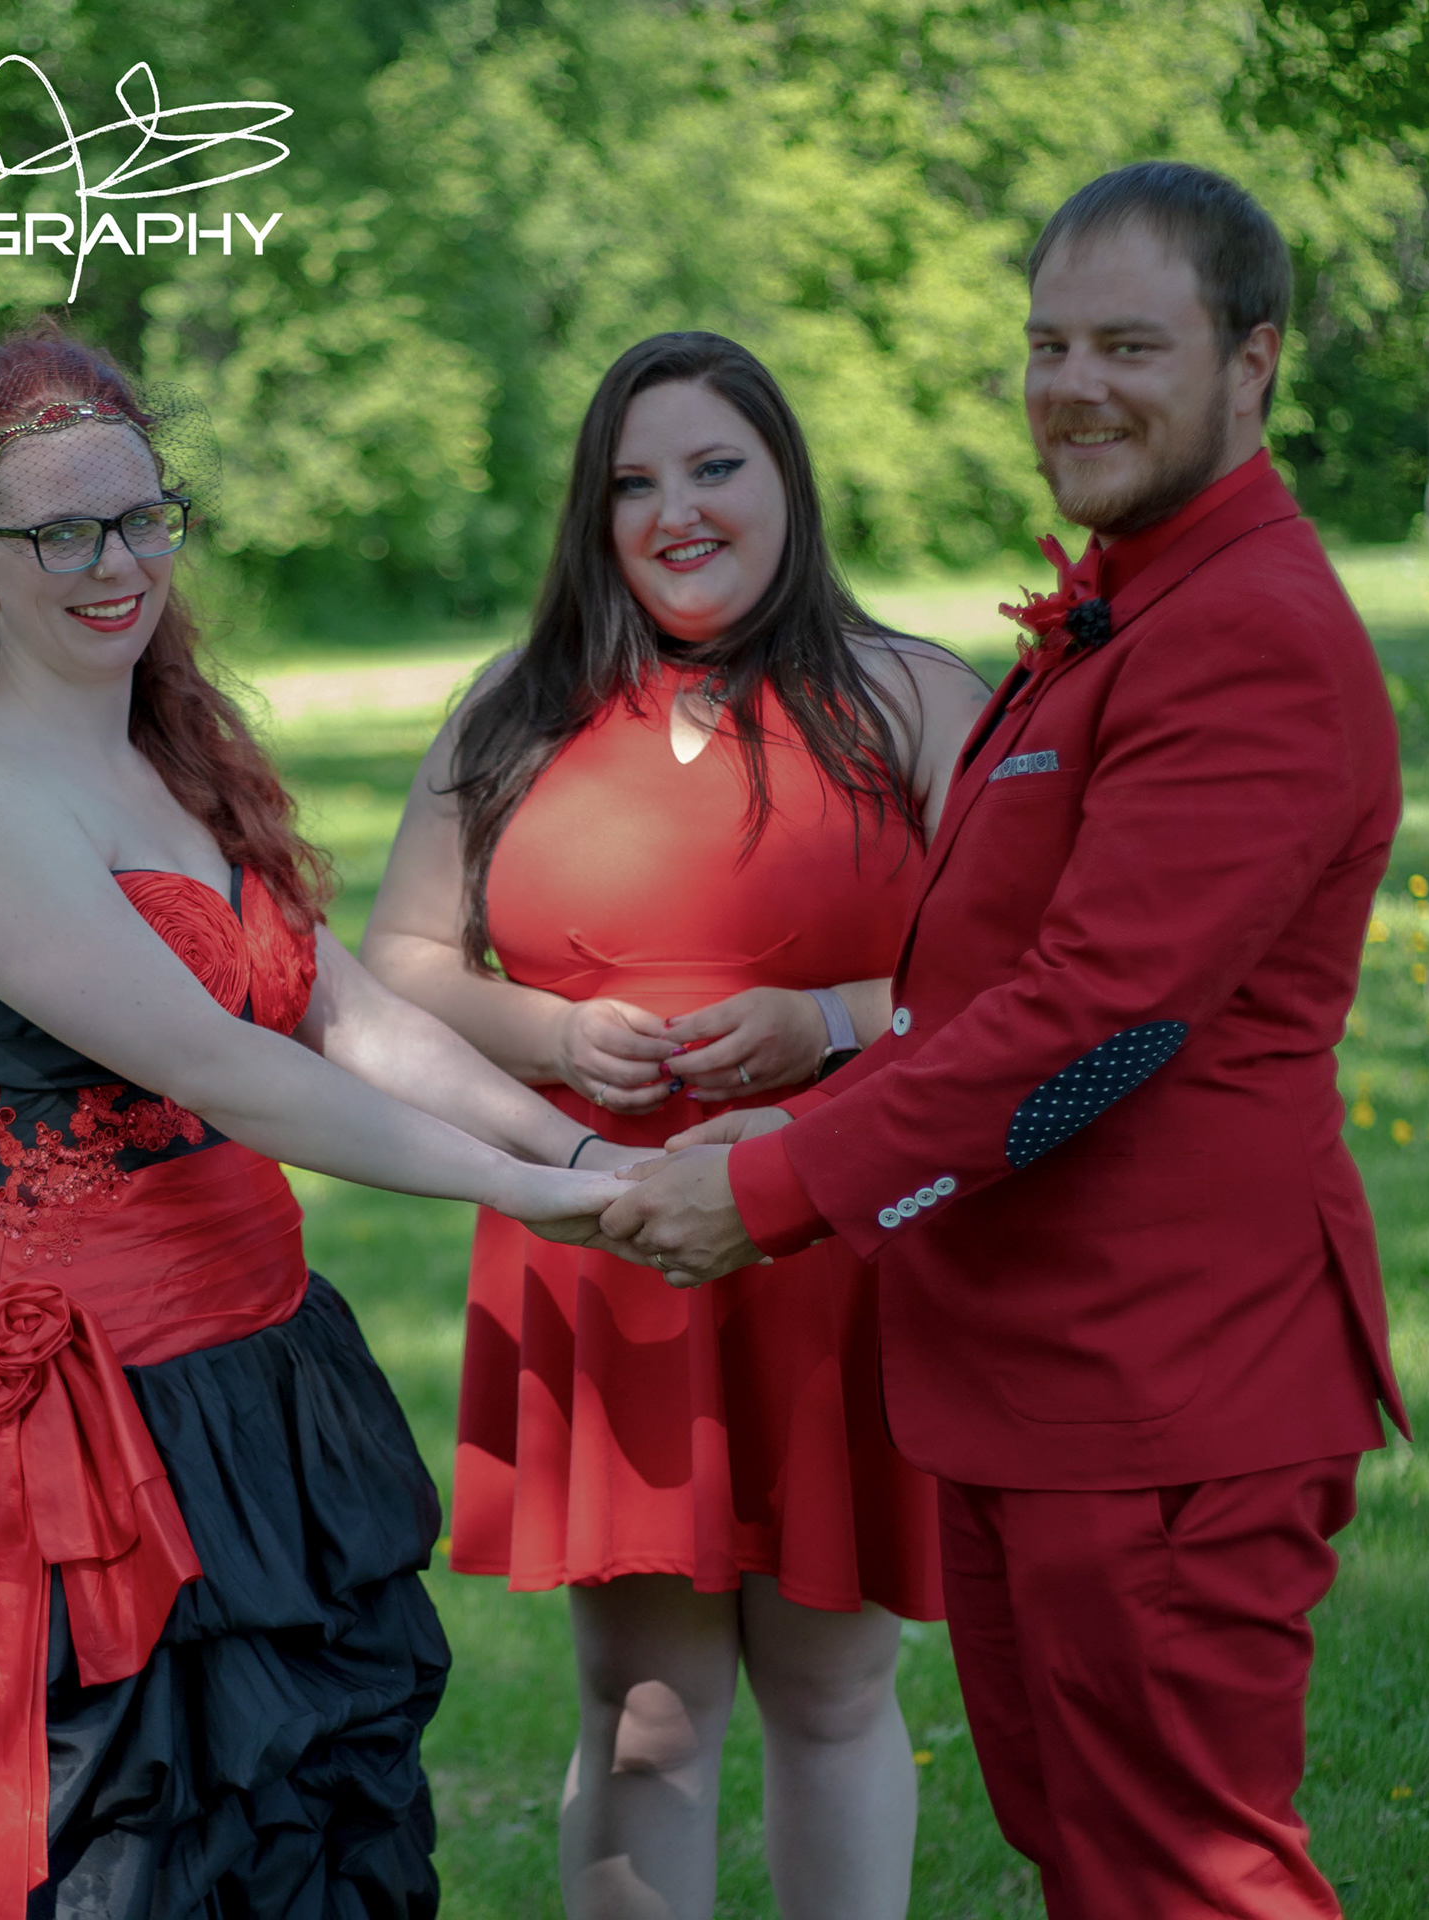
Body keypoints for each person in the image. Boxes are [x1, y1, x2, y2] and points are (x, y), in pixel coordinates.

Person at [0, 324, 633, 1920]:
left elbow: (349, 1016)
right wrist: (519, 1193)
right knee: (112, 1848)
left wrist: (584, 1153)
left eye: (141, 517)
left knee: (278, 1826)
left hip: (244, 1362)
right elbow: (224, 1067)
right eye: (60, 531)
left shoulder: (174, 759)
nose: (115, 562)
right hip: (73, 1415)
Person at [602, 164, 1408, 1919]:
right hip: (1042, 1388)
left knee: (1185, 1878)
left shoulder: (1249, 634)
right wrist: (778, 1140)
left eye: (1131, 345)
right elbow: (985, 1005)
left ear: (1253, 361)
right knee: (1087, 1857)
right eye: (1049, 345)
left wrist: (782, 1189)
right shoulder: (1135, 604)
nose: (1074, 387)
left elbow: (1101, 1024)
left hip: (1166, 1390)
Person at [362, 331, 987, 1919]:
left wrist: (827, 1019)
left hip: (837, 1234)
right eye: (634, 482)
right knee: (642, 1708)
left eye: (716, 467)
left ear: (788, 481)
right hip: (608, 1240)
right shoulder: (514, 710)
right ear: (595, 511)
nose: (675, 510)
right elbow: (401, 963)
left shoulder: (914, 696)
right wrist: (554, 1031)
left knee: (833, 1685)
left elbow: (1029, 978)